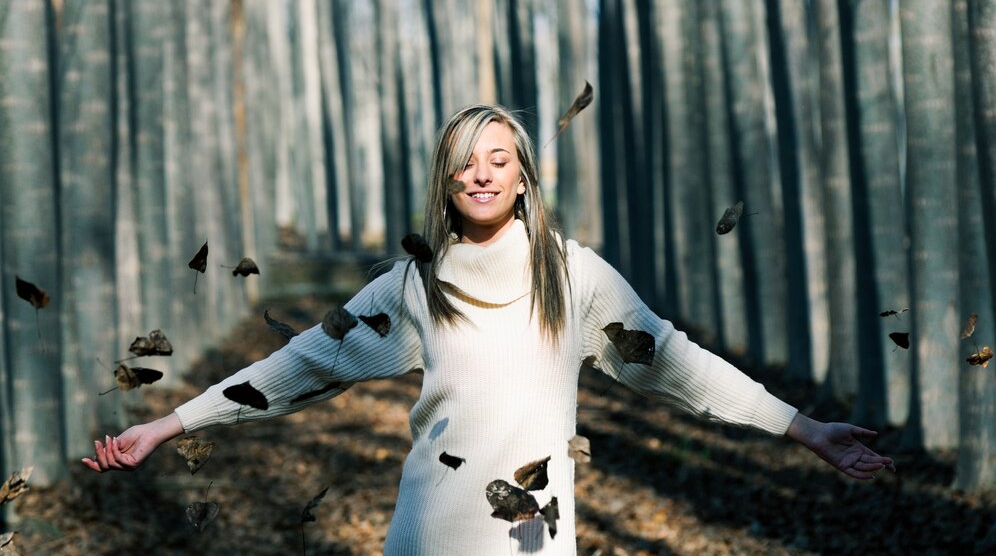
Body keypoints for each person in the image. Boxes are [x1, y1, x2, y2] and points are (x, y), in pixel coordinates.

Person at [84, 104, 895, 554]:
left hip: (530, 544)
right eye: (466, 159)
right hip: (426, 537)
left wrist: (804, 427)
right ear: (447, 175)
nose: (481, 172)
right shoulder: (413, 285)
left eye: (499, 158)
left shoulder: (576, 276)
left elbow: (679, 365)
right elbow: (295, 366)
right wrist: (168, 423)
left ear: (523, 176)